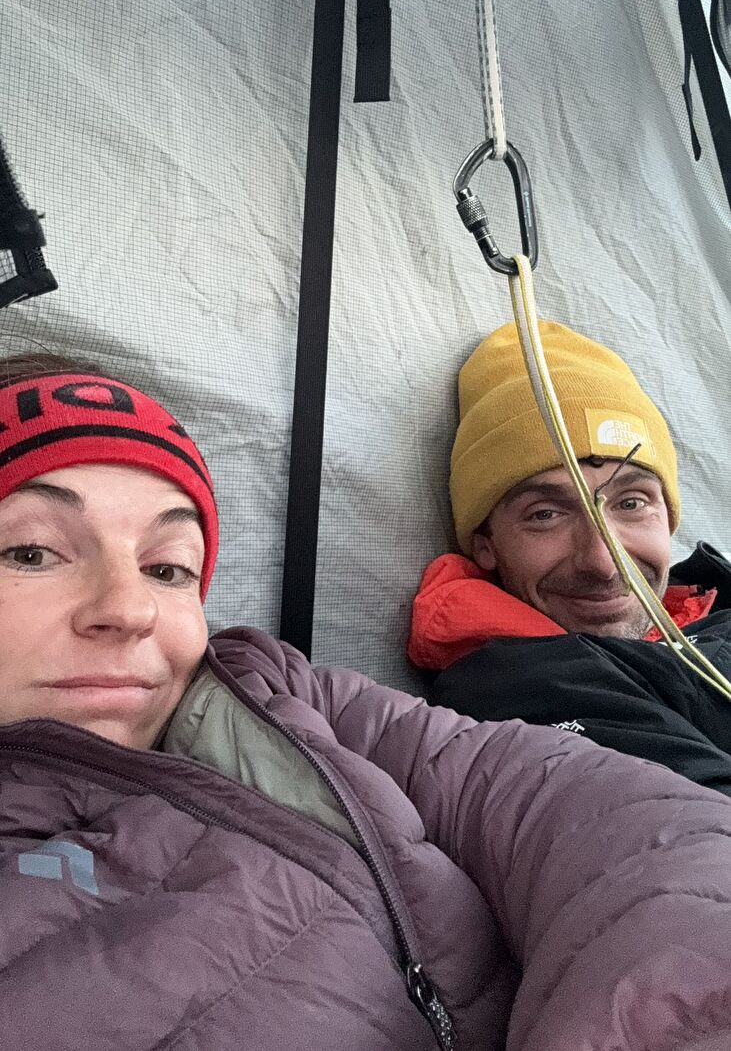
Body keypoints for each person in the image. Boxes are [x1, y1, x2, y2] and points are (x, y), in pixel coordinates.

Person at [1, 354, 731, 1051]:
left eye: (167, 567)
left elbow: (593, 813)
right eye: (30, 552)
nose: (130, 610)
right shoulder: (530, 673)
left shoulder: (271, 693)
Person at [409, 320, 731, 793]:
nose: (603, 563)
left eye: (631, 503)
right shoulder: (523, 690)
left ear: (668, 517)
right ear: (485, 543)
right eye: (545, 514)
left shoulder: (708, 609)